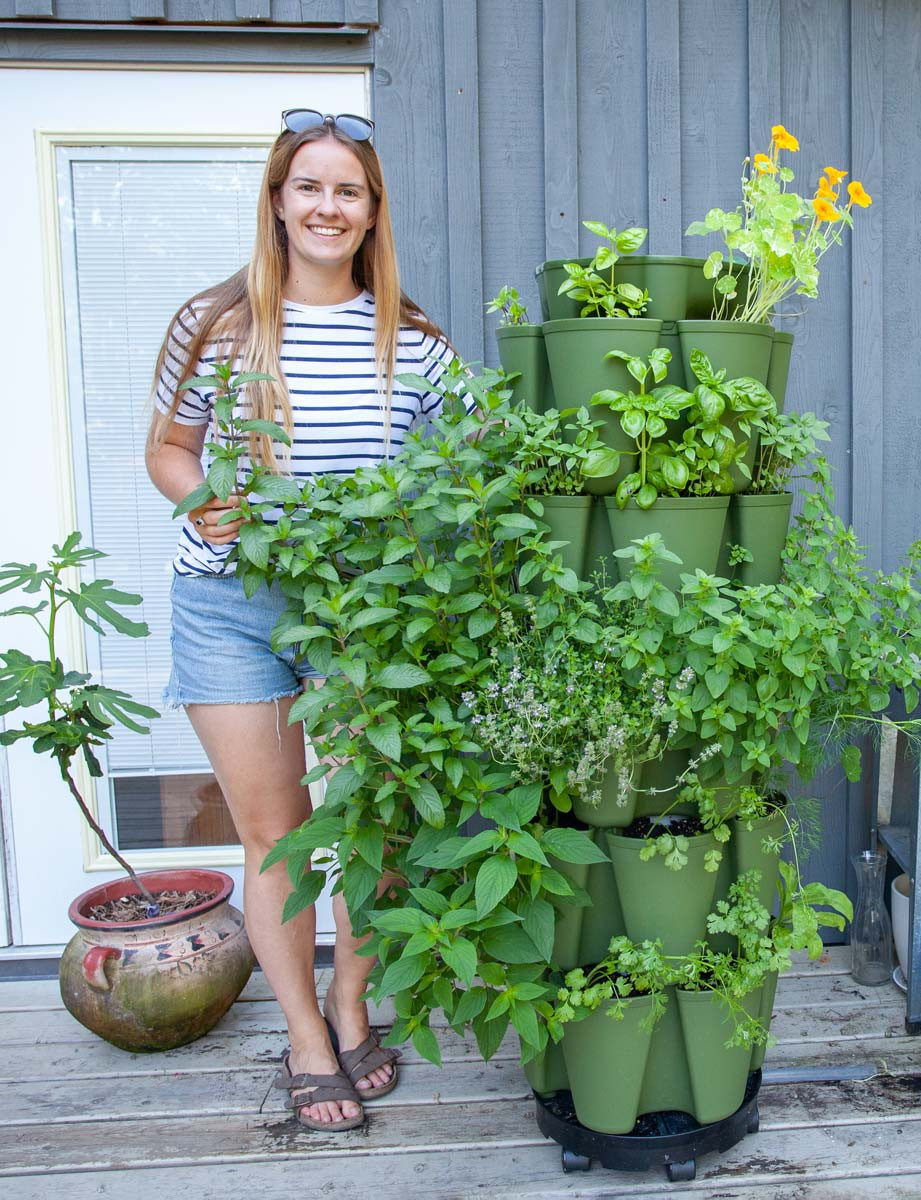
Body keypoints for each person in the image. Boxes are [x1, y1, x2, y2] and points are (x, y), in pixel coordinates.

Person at [145, 109, 460, 1132]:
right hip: (229, 604)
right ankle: (305, 1036)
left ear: (372, 214)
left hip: (363, 615)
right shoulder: (215, 324)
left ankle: (350, 999)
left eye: (348, 191)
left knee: (368, 831)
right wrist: (204, 501)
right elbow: (168, 450)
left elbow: (474, 471)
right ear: (278, 200)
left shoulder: (414, 343)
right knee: (278, 837)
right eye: (309, 186)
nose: (328, 206)